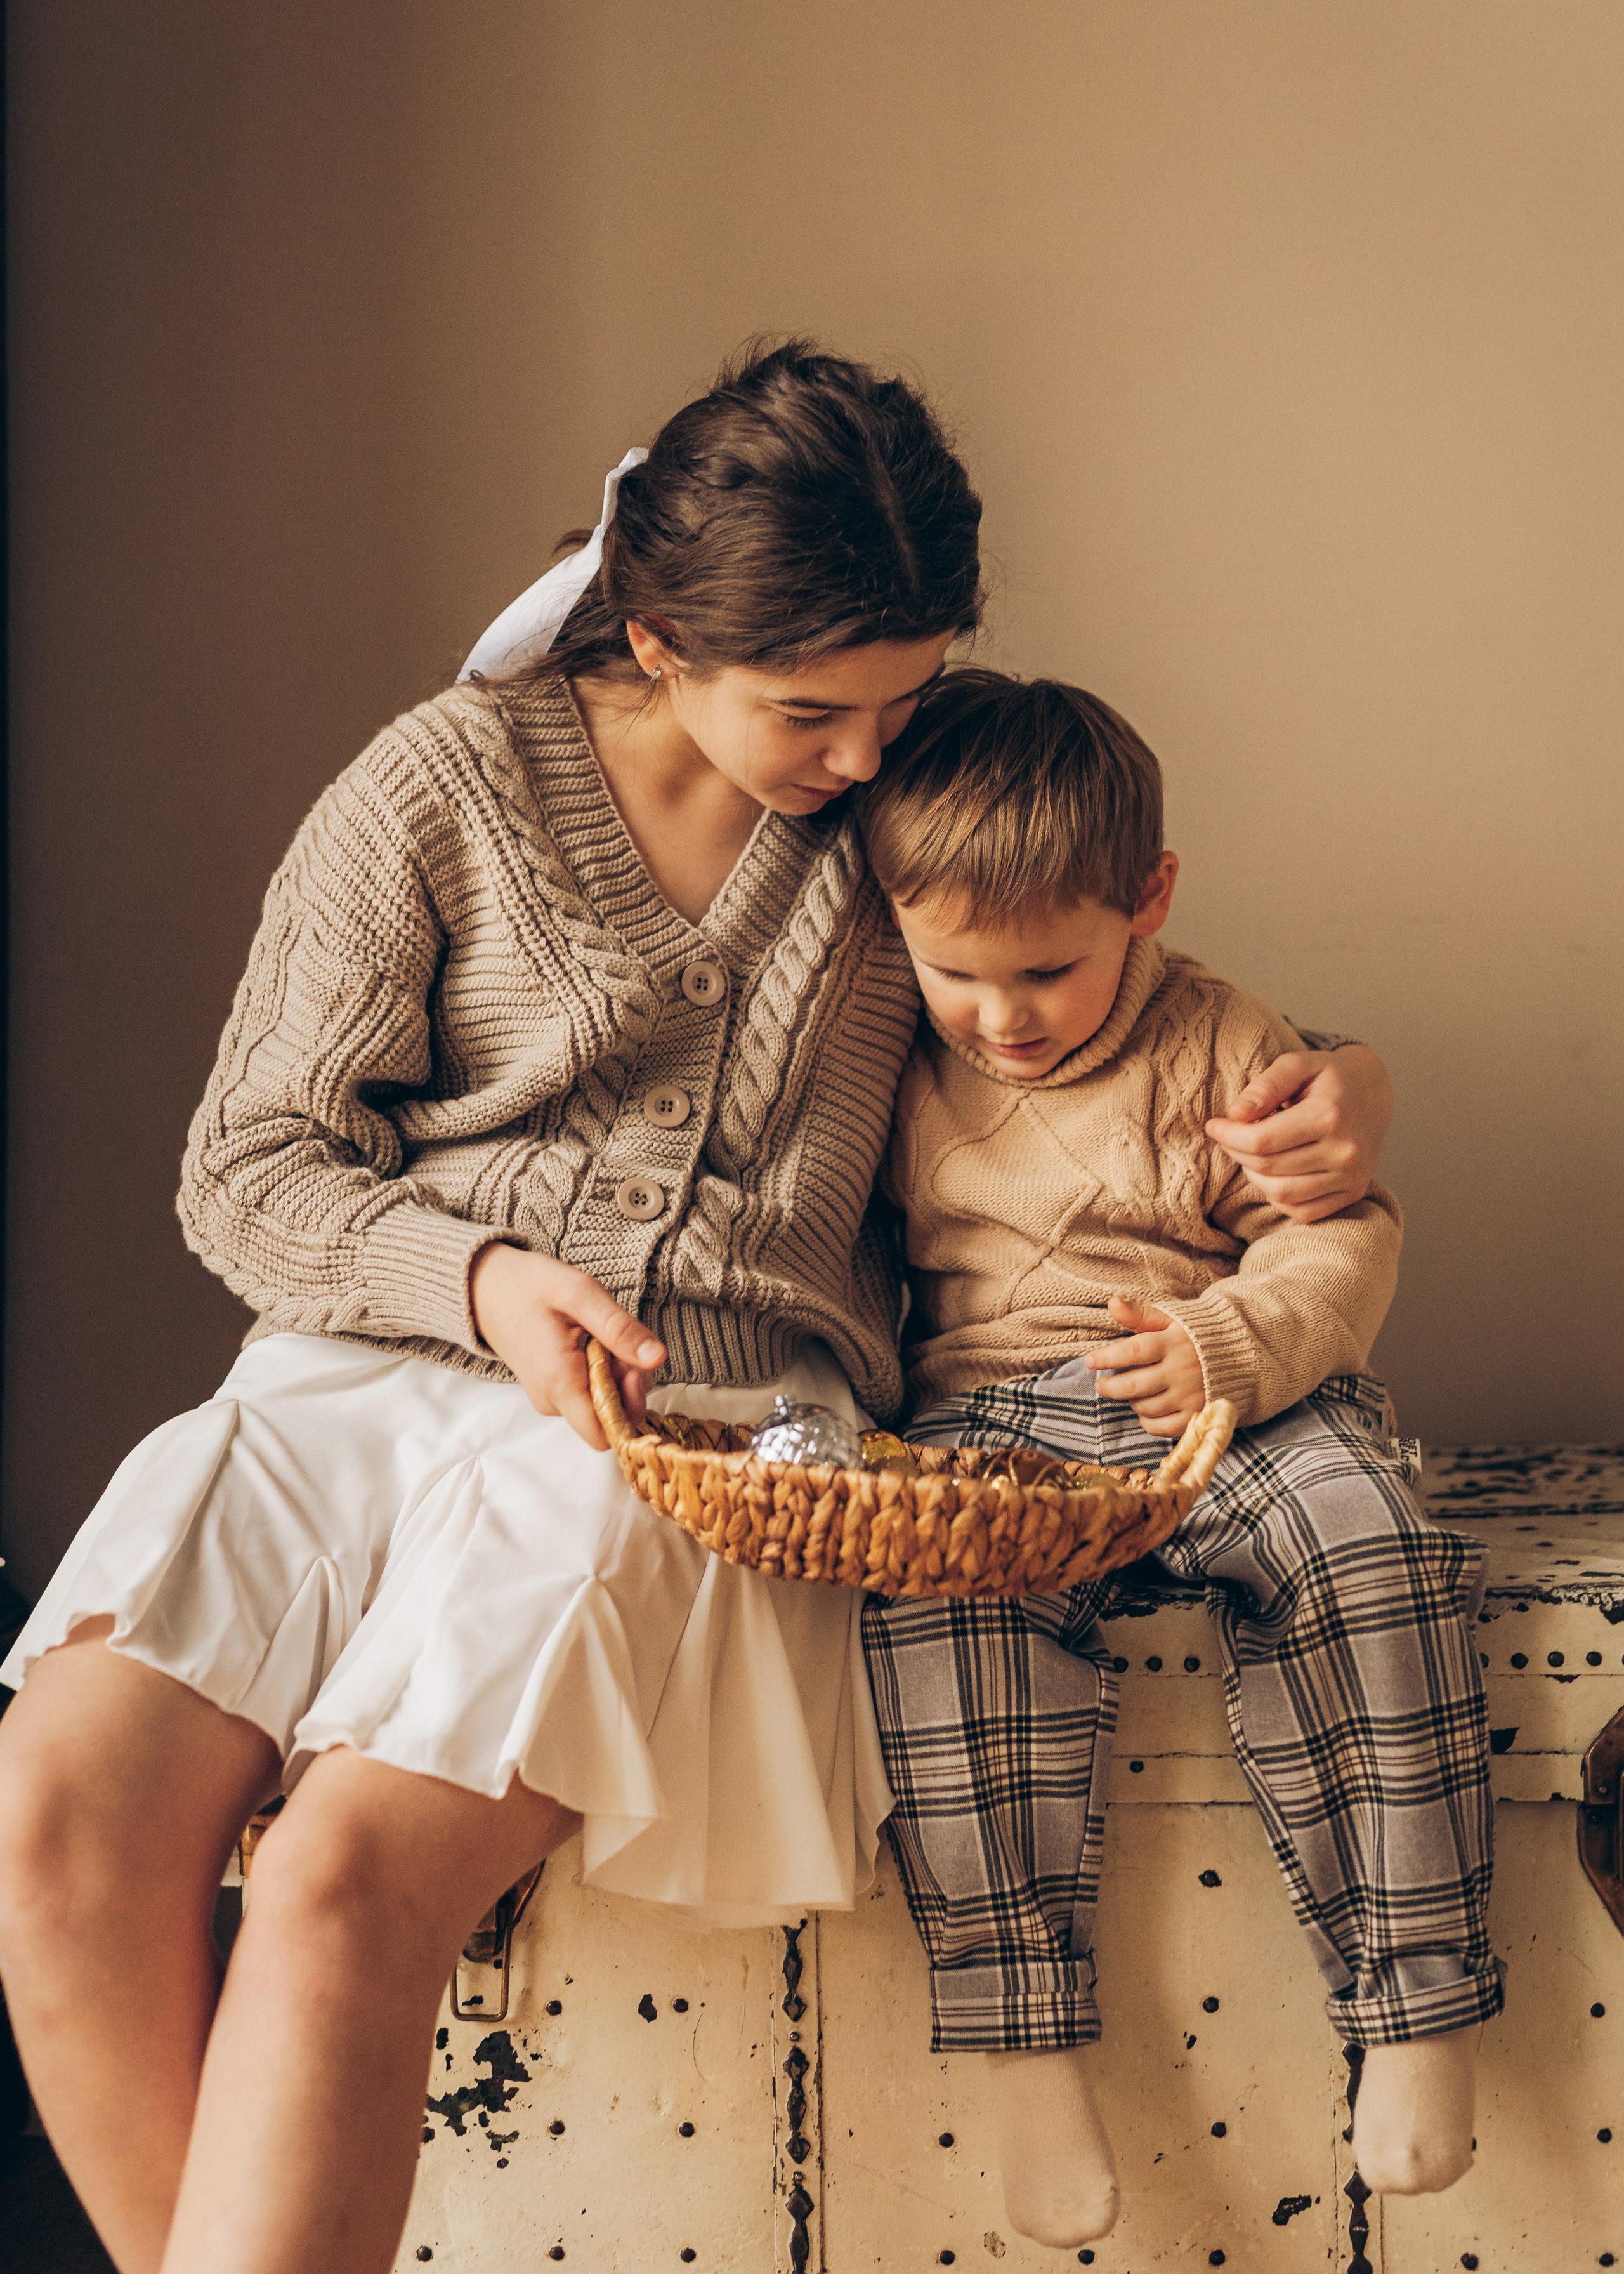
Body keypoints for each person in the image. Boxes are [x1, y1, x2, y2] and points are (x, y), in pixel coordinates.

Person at [0, 346, 1395, 2274]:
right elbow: (245, 1172)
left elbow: (1109, 991)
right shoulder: (438, 787)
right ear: (655, 642)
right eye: (810, 712)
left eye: (901, 700)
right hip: (359, 1379)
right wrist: (479, 1279)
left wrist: (1342, 1080)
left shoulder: (899, 822)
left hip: (699, 1443)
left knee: (339, 1879)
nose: (863, 755)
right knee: (62, 1801)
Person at [856, 669, 1502, 2249]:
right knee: (932, 1624)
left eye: (1047, 970)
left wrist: (1227, 1347)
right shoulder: (876, 1051)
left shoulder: (1219, 1039)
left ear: (1144, 899)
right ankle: (1023, 2054)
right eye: (955, 969)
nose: (1000, 1013)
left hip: (1225, 1397)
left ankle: (1416, 2003)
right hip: (990, 1427)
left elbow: (1334, 1242)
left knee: (1377, 1552)